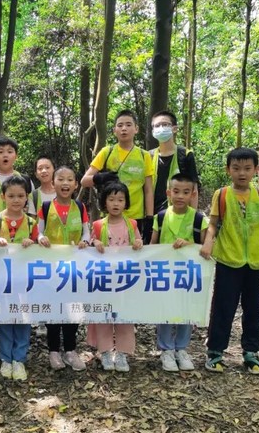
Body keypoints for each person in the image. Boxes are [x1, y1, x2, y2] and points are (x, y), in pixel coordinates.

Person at [200, 148, 259, 375]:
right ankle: (215, 352)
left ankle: (251, 353)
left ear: (256, 170)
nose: (242, 173)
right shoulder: (222, 194)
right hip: (228, 260)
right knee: (223, 307)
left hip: (255, 263)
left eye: (247, 168)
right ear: (228, 170)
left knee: (253, 309)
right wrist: (208, 241)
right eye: (236, 168)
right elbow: (213, 224)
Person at [150, 172, 208, 372]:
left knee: (186, 310)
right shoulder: (160, 217)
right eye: (176, 191)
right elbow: (153, 245)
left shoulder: (199, 219)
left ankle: (181, 348)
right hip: (165, 274)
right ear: (168, 193)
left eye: (185, 192)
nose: (180, 196)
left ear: (193, 194)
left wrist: (188, 244)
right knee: (165, 310)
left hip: (189, 275)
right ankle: (166, 349)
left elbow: (206, 247)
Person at [0, 176, 38, 382]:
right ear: (2, 196)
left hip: (24, 279)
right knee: (4, 316)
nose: (16, 200)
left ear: (27, 198)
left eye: (21, 196)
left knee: (23, 316)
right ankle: (5, 357)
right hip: (0, 279)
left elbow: (39, 250)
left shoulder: (32, 223)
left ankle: (19, 358)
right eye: (11, 196)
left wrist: (32, 243)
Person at [37, 166, 90, 371]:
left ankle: (70, 350)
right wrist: (41, 238)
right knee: (53, 308)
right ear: (53, 183)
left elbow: (86, 232)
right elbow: (38, 231)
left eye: (70, 180)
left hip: (75, 268)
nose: (65, 183)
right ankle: (53, 351)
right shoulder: (46, 206)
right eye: (61, 179)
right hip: (51, 268)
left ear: (76, 185)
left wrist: (85, 241)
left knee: (72, 308)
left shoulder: (80, 206)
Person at [87, 181, 142, 372]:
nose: (116, 203)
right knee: (104, 314)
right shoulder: (98, 225)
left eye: (120, 199)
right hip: (103, 279)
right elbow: (88, 244)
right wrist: (94, 243)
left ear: (126, 202)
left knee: (124, 316)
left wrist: (138, 243)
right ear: (104, 202)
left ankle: (122, 354)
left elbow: (138, 242)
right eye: (111, 199)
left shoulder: (132, 224)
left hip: (125, 279)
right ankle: (105, 352)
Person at [80, 109, 154, 242]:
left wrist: (149, 217)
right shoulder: (107, 152)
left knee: (134, 252)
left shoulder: (144, 156)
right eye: (120, 125)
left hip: (135, 216)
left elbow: (148, 190)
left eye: (128, 125)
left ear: (136, 129)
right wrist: (101, 177)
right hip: (110, 216)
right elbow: (84, 181)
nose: (124, 129)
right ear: (114, 130)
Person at [148, 111, 200, 214]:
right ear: (153, 131)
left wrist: (193, 216)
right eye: (157, 126)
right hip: (153, 214)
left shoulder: (185, 154)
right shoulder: (149, 156)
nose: (161, 128)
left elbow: (194, 188)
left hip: (179, 214)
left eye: (165, 124)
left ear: (174, 128)